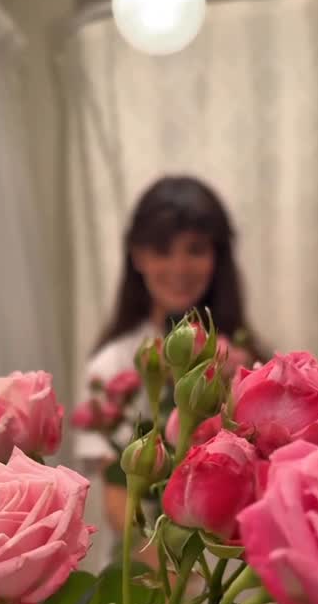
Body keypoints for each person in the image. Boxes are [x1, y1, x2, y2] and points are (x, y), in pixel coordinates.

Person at [74, 174, 260, 560]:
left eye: (195, 249)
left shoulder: (242, 360)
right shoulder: (112, 365)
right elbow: (118, 500)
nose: (179, 266)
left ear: (217, 257)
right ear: (138, 256)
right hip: (147, 571)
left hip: (226, 569)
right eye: (162, 250)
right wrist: (170, 574)